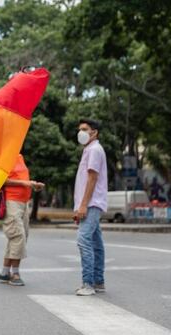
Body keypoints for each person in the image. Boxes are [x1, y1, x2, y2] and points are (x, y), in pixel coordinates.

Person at [0, 154, 44, 286]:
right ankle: (15, 273)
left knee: (18, 237)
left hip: (23, 202)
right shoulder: (6, 156)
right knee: (18, 236)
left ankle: (5, 272)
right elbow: (1, 180)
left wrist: (32, 185)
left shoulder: (19, 156)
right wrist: (25, 183)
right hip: (11, 201)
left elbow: (20, 178)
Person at [74, 119, 108, 296]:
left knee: (83, 240)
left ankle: (88, 284)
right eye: (80, 129)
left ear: (94, 132)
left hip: (92, 203)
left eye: (85, 129)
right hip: (91, 203)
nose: (81, 132)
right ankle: (98, 281)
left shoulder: (94, 150)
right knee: (96, 243)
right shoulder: (89, 149)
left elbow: (92, 179)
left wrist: (83, 205)